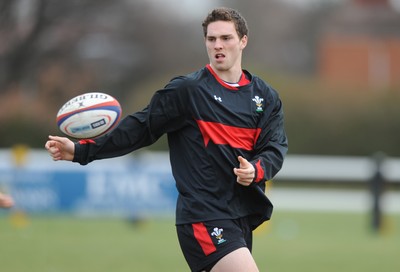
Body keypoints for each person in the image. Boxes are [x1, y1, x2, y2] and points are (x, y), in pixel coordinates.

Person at [45, 7, 288, 272]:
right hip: (203, 215)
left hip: (241, 215)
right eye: (211, 39)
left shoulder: (265, 97)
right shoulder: (188, 91)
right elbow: (139, 128)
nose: (218, 45)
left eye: (226, 38)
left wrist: (255, 170)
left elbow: (274, 147)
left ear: (243, 41)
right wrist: (81, 151)